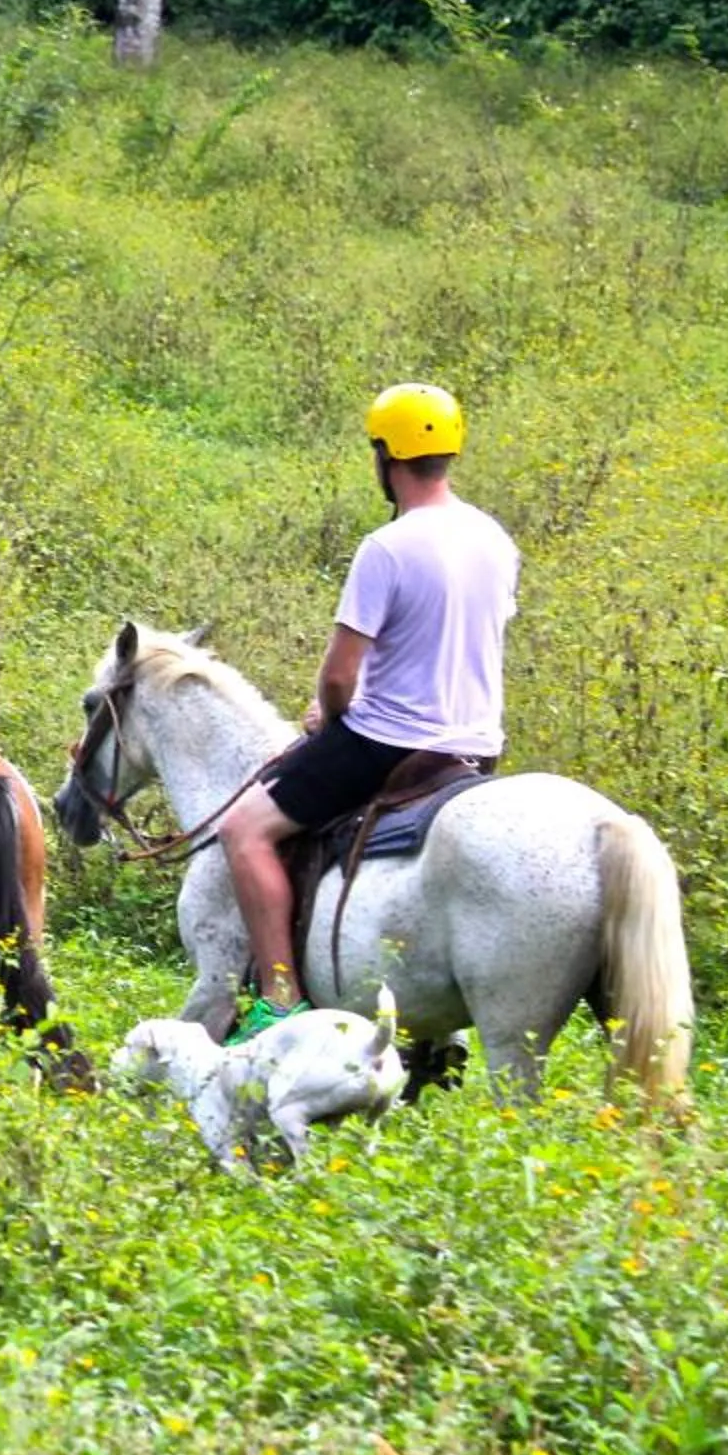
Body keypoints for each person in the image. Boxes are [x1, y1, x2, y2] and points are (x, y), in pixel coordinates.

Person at [210, 382, 520, 1041]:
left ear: (387, 455)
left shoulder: (388, 548)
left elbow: (339, 675)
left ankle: (277, 998)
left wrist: (330, 716)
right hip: (477, 745)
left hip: (388, 742)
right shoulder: (495, 538)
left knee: (245, 830)